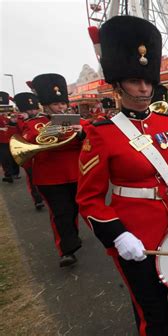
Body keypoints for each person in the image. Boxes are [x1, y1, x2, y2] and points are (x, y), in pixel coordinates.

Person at [76, 16, 168, 335]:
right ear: (117, 83)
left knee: (162, 294)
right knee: (153, 313)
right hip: (133, 235)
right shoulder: (101, 134)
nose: (144, 87)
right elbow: (88, 200)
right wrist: (117, 234)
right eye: (133, 80)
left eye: (147, 80)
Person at [21, 73, 84, 267]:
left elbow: (86, 140)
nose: (61, 107)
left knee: (73, 209)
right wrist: (66, 137)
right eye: (56, 104)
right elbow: (31, 141)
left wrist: (80, 135)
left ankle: (71, 236)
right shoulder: (34, 124)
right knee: (61, 212)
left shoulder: (75, 120)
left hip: (74, 173)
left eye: (63, 104)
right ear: (46, 105)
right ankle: (66, 250)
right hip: (49, 178)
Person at [13, 92, 45, 210]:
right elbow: (18, 134)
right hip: (28, 153)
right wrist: (23, 121)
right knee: (32, 178)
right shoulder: (19, 120)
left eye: (34, 109)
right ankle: (37, 199)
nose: (33, 112)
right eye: (29, 110)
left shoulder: (42, 117)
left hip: (42, 152)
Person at [0, 91, 20, 183]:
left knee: (13, 156)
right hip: (1, 139)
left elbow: (14, 122)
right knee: (4, 158)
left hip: (12, 137)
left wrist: (11, 119)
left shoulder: (10, 112)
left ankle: (15, 173)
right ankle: (8, 174)